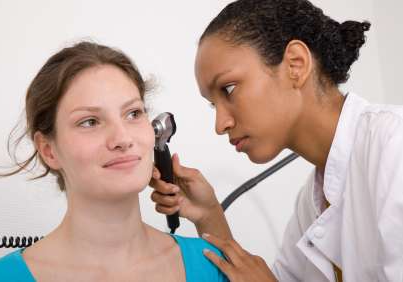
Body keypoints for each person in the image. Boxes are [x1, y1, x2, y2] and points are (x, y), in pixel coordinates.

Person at [150, 0, 403, 281]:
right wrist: (209, 215)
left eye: (229, 89)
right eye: (213, 104)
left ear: (296, 64)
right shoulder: (312, 201)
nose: (220, 125)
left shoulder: (394, 146)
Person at [0, 41, 228, 282]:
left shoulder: (213, 264)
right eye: (89, 122)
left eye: (133, 113)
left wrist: (209, 214)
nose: (123, 138)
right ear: (48, 150)